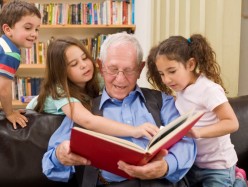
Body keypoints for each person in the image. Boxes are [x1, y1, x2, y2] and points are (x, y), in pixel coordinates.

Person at [42, 32, 197, 187]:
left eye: (129, 70)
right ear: (101, 67)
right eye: (113, 69)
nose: (120, 79)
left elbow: (185, 139)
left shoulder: (162, 101)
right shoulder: (83, 111)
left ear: (140, 69)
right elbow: (49, 165)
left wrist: (166, 166)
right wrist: (59, 155)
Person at [146, 34, 248, 186]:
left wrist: (199, 132)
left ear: (191, 64)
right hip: (194, 165)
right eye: (162, 74)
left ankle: (239, 180)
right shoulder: (181, 90)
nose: (166, 79)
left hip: (218, 167)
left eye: (172, 71)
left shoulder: (208, 90)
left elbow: (232, 123)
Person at [26, 36, 159, 139]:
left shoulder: (95, 80)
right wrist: (134, 130)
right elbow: (88, 121)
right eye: (74, 64)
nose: (84, 65)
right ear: (61, 72)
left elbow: (123, 85)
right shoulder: (59, 91)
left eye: (85, 58)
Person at [0, 0, 41, 129]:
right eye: (28, 28)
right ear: (8, 30)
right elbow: (3, 88)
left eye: (37, 29)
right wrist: (10, 113)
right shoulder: (9, 53)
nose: (34, 34)